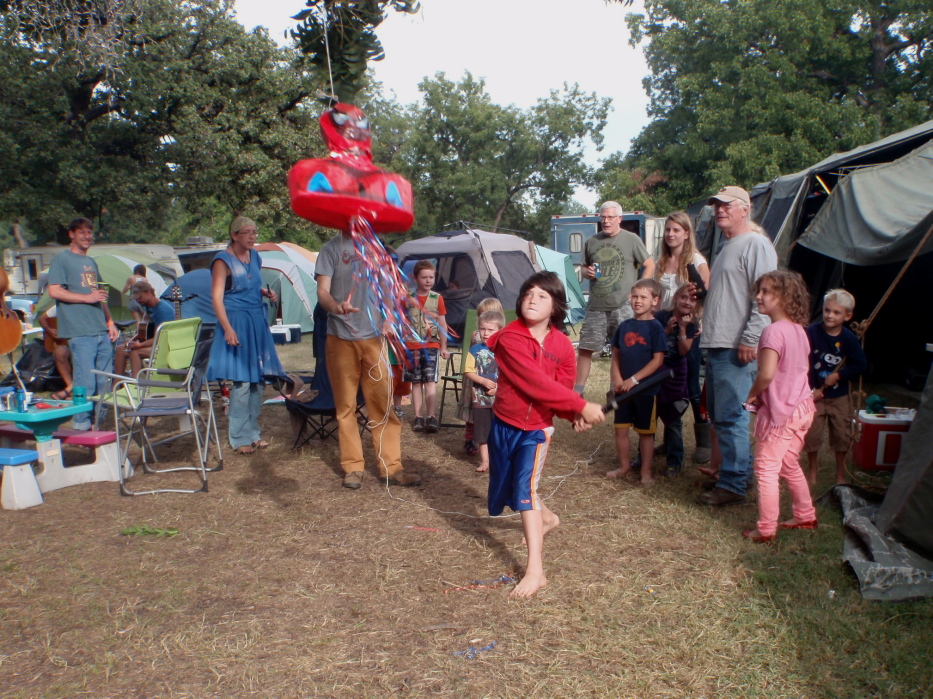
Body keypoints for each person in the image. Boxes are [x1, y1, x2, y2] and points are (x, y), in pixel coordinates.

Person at [487, 271, 605, 597]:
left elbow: (560, 390)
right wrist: (581, 406)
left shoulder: (563, 346)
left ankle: (536, 571)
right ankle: (548, 518)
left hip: (536, 430)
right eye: (528, 293)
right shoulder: (509, 338)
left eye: (542, 295)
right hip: (504, 424)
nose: (532, 299)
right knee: (511, 489)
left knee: (525, 490)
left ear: (555, 307)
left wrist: (572, 414)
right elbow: (533, 382)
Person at [316, 231, 422, 489]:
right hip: (340, 337)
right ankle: (353, 467)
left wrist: (388, 318)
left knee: (382, 403)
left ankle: (391, 467)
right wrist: (335, 306)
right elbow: (322, 291)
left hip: (374, 338)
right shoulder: (330, 249)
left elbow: (387, 289)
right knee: (346, 407)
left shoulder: (376, 248)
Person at [697, 186, 778, 507]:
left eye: (727, 205)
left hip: (736, 345)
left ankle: (733, 484)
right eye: (716, 205)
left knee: (732, 416)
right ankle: (738, 476)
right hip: (719, 342)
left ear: (745, 209)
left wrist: (752, 337)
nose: (720, 210)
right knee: (721, 415)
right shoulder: (727, 246)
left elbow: (767, 295)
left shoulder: (756, 244)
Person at [741, 271, 817, 542]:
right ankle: (805, 515)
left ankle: (765, 529)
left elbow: (766, 375)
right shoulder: (799, 331)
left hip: (782, 414)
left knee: (766, 468)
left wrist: (752, 395)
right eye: (759, 290)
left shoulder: (772, 332)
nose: (758, 297)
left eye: (766, 292)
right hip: (803, 409)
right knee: (787, 463)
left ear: (784, 297)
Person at [207, 216, 284, 455]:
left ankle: (253, 433)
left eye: (254, 232)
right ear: (234, 235)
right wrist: (228, 328)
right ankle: (238, 437)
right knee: (242, 381)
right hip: (236, 321)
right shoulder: (222, 261)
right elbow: (217, 297)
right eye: (247, 232)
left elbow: (249, 284)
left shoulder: (255, 257)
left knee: (258, 380)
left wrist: (264, 292)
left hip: (256, 321)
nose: (253, 236)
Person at [574, 201, 655, 395]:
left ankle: (615, 391)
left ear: (619, 219)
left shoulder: (631, 239)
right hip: (596, 305)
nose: (606, 221)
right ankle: (577, 392)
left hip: (622, 305)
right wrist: (587, 272)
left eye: (610, 217)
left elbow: (650, 264)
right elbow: (583, 269)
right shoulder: (592, 241)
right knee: (586, 348)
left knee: (621, 350)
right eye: (603, 217)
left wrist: (638, 290)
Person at [47, 217, 120, 430]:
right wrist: (87, 298)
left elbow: (100, 295)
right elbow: (54, 291)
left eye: (89, 232)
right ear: (72, 234)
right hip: (80, 331)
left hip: (101, 330)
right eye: (82, 232)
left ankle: (99, 426)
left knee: (105, 382)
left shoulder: (91, 262)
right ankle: (81, 426)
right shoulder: (61, 259)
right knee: (85, 382)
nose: (87, 236)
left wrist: (110, 322)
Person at [654, 211, 712, 462]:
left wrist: (692, 323)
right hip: (665, 325)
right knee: (666, 382)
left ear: (687, 233)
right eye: (668, 229)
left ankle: (704, 442)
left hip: (689, 327)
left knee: (691, 383)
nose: (671, 234)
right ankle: (670, 441)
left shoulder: (696, 261)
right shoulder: (661, 261)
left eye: (676, 230)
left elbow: (705, 294)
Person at [803, 289, 868, 486]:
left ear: (847, 316)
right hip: (815, 396)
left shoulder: (849, 339)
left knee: (842, 435)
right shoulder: (811, 332)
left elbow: (860, 365)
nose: (830, 315)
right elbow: (803, 363)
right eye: (827, 310)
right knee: (811, 435)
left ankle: (840, 474)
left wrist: (839, 375)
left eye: (836, 312)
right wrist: (810, 389)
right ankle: (812, 470)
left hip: (839, 397)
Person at [605, 279, 666, 485]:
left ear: (654, 301)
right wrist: (617, 379)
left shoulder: (656, 327)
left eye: (643, 297)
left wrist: (633, 380)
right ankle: (624, 467)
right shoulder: (624, 326)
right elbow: (615, 355)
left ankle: (646, 472)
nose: (638, 301)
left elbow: (658, 360)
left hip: (646, 391)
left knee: (646, 433)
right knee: (620, 429)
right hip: (623, 391)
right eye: (634, 296)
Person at [654, 284, 701, 476]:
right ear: (675, 298)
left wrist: (682, 328)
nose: (687, 302)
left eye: (692, 300)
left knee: (673, 418)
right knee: (651, 414)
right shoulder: (661, 316)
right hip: (656, 371)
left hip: (676, 374)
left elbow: (683, 351)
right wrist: (666, 330)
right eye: (683, 297)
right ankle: (643, 455)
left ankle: (675, 461)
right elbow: (654, 340)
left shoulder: (693, 324)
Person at [403, 260, 450, 433]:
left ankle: (431, 417)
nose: (428, 280)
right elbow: (401, 320)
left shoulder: (437, 298)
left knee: (430, 381)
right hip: (412, 346)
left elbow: (442, 324)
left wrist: (443, 347)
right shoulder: (407, 297)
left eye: (431, 277)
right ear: (415, 278)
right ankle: (418, 416)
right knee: (416, 382)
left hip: (431, 345)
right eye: (424, 277)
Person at [461, 296, 505, 456]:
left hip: (496, 384)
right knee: (475, 412)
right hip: (477, 378)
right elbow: (472, 361)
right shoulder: (477, 337)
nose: (485, 319)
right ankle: (471, 439)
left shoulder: (503, 342)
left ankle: (495, 449)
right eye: (481, 316)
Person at [113, 280, 175, 378]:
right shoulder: (148, 307)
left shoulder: (163, 310)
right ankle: (116, 384)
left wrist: (139, 345)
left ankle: (136, 383)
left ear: (148, 292)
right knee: (120, 349)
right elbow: (143, 331)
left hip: (165, 347)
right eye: (136, 299)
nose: (137, 301)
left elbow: (160, 338)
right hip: (155, 343)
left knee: (135, 352)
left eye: (139, 297)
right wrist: (132, 340)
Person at [37, 306, 73, 400]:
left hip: (84, 344)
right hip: (68, 344)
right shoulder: (60, 306)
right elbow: (42, 318)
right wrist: (49, 330)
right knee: (59, 352)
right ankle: (70, 386)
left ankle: (70, 389)